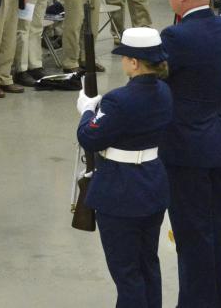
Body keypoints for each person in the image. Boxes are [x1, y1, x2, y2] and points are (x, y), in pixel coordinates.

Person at [160, 0, 221, 308]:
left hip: (186, 151)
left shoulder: (176, 36)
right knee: (215, 230)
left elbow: (156, 81)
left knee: (192, 236)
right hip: (220, 143)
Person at [76, 27, 172, 308]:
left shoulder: (119, 100)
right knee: (148, 265)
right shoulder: (164, 91)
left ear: (134, 62)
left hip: (121, 192)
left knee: (126, 272)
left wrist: (86, 111)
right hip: (152, 184)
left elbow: (89, 137)